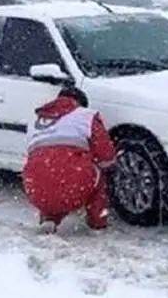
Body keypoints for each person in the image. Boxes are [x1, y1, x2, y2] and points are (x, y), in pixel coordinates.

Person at [22, 85, 117, 233]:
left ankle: (49, 218)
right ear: (81, 103)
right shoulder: (87, 115)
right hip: (72, 186)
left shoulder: (35, 122)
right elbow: (106, 156)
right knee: (98, 173)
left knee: (49, 175)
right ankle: (97, 221)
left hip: (34, 188)